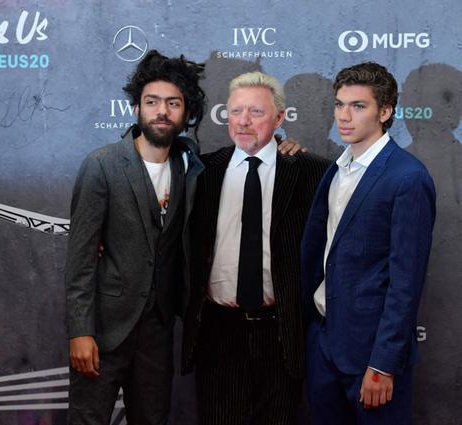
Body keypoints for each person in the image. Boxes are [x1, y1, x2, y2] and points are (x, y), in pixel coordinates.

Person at [64, 50, 206, 425]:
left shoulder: (191, 166)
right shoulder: (102, 165)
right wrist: (80, 332)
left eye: (173, 103)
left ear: (186, 113)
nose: (162, 110)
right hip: (104, 331)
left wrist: (285, 148)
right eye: (152, 101)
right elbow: (79, 260)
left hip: (157, 335)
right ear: (137, 109)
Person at [182, 71, 330, 425]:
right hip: (218, 331)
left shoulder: (312, 172)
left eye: (256, 112)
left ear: (280, 118)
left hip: (281, 333)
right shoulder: (201, 172)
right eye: (236, 112)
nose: (244, 122)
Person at [301, 62, 436, 424]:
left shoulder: (408, 178)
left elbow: (406, 282)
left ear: (385, 111)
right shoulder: (337, 168)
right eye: (340, 104)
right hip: (325, 342)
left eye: (358, 106)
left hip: (371, 355)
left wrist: (383, 363)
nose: (344, 116)